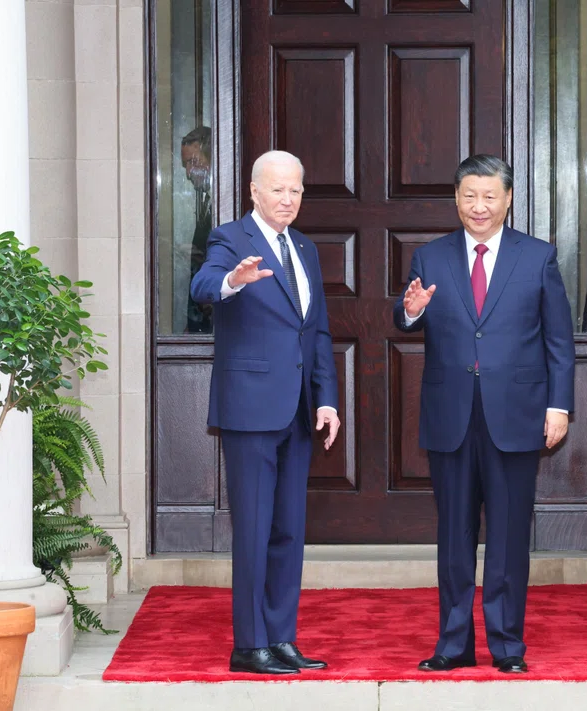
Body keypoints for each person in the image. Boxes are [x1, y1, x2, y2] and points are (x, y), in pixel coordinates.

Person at [393, 154, 575, 674]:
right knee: (453, 539)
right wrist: (410, 309)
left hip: (516, 415)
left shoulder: (537, 257)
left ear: (508, 199)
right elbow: (404, 317)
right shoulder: (430, 257)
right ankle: (452, 644)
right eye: (469, 196)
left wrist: (558, 406)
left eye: (489, 196)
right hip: (451, 416)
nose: (479, 206)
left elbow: (559, 341)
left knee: (509, 536)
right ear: (456, 199)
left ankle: (507, 646)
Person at [191, 150, 341, 675]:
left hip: (298, 411)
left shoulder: (304, 248)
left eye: (296, 190)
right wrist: (233, 281)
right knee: (253, 530)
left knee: (288, 532)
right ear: (253, 191)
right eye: (278, 189)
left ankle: (281, 638)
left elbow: (316, 330)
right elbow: (203, 286)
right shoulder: (231, 239)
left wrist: (326, 398)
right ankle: (248, 644)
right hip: (250, 410)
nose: (288, 199)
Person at [181, 126, 214, 333]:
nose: (187, 173)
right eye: (185, 165)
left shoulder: (226, 207)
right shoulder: (206, 202)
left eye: (193, 162)